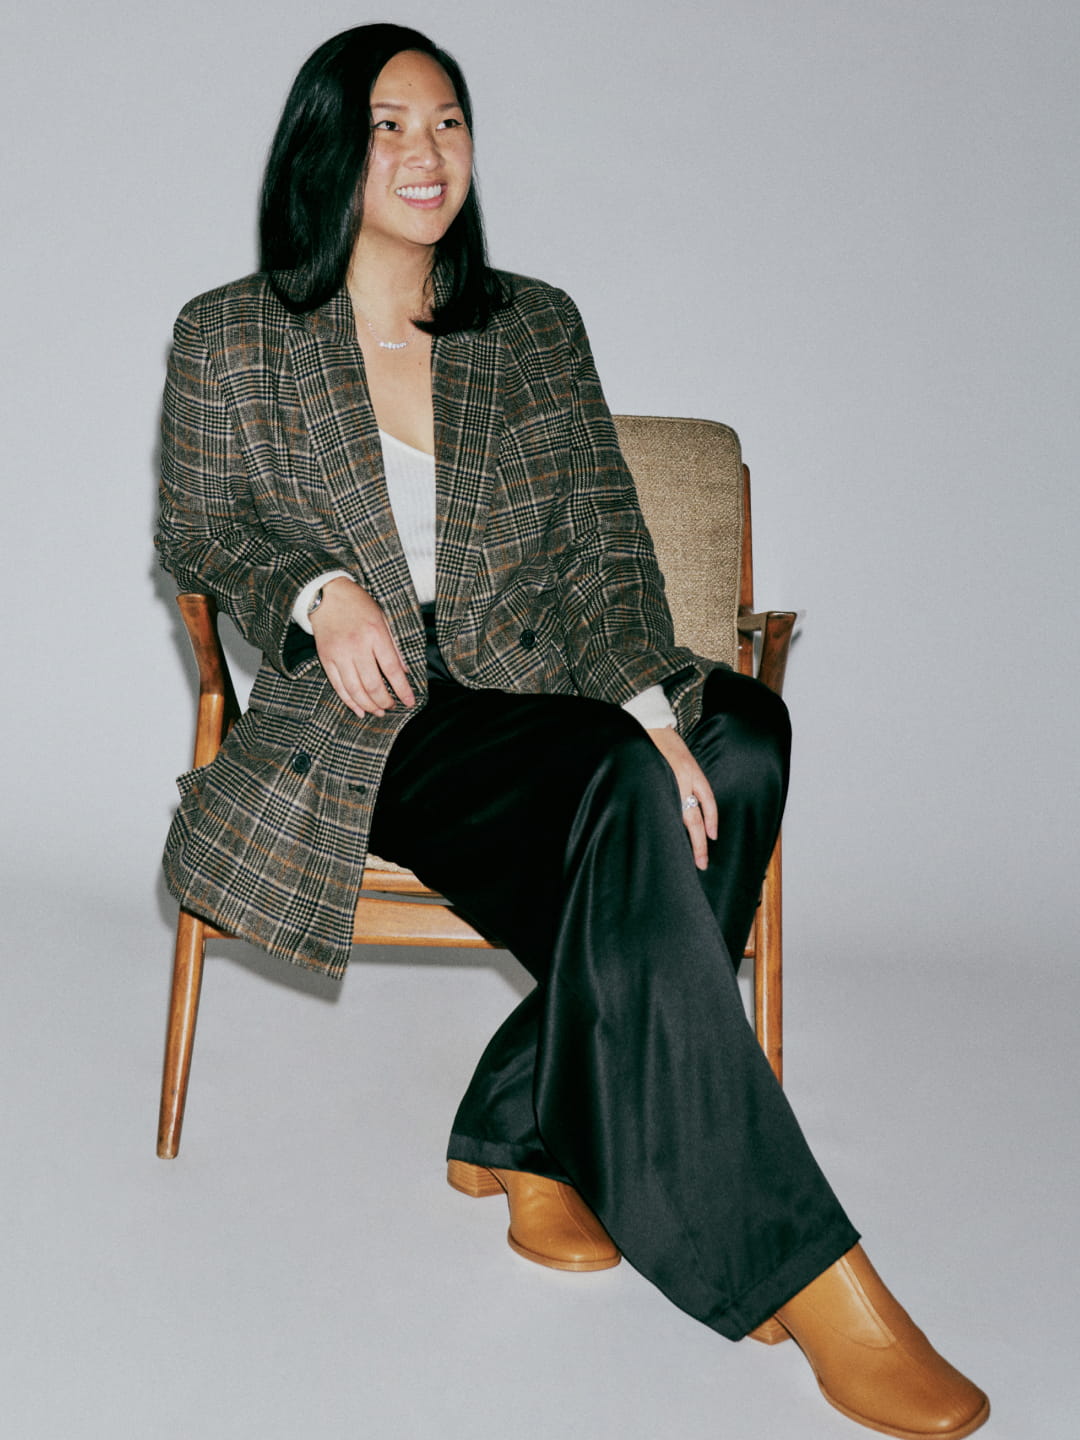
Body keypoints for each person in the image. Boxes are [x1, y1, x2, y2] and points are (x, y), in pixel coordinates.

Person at [156, 24, 989, 1439]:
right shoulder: (231, 335)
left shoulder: (532, 327)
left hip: (540, 684)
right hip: (373, 718)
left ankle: (530, 1126)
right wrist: (315, 587)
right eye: (388, 125)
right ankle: (804, 1273)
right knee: (619, 779)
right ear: (327, 150)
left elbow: (606, 553)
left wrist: (651, 711)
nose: (426, 153)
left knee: (744, 736)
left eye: (448, 121)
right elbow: (201, 525)